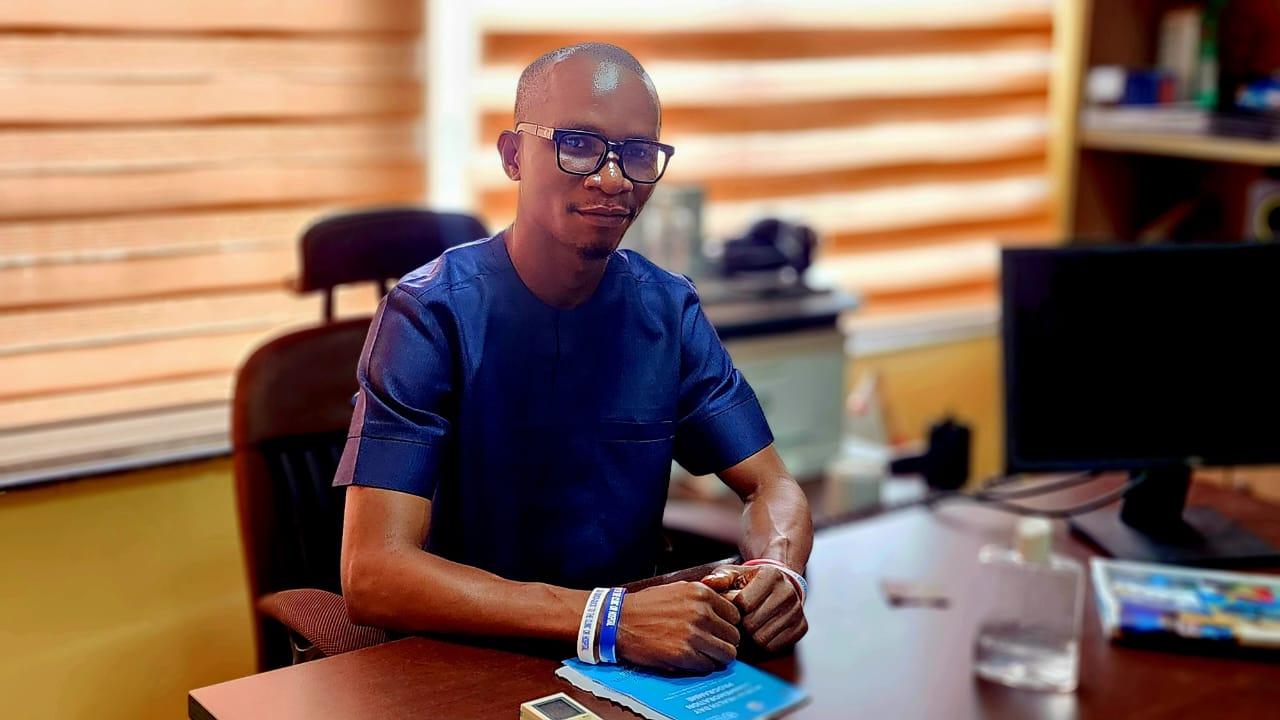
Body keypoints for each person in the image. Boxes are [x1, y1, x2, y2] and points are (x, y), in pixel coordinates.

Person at [336, 42, 812, 674]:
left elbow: (772, 485)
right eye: (579, 144)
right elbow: (372, 572)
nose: (613, 180)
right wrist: (604, 620)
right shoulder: (428, 314)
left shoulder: (667, 310)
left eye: (637, 153)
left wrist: (780, 566)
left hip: (633, 664)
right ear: (513, 156)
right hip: (468, 656)